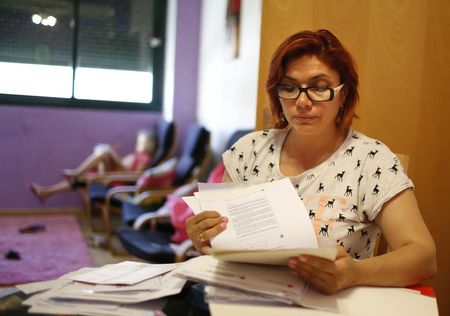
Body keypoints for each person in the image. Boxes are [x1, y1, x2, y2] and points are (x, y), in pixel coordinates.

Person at [185, 29, 436, 294]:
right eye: (290, 88)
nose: (303, 102)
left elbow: (423, 257)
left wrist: (354, 273)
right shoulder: (249, 150)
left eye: (319, 88)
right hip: (244, 297)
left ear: (343, 94)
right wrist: (206, 237)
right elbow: (224, 241)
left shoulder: (371, 161)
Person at [29, 129, 155, 203]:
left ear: (149, 145)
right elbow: (122, 162)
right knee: (102, 151)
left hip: (116, 179)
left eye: (142, 143)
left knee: (104, 151)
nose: (139, 145)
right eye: (139, 142)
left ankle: (75, 173)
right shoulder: (135, 154)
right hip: (111, 173)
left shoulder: (145, 159)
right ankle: (47, 192)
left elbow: (136, 176)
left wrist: (110, 168)